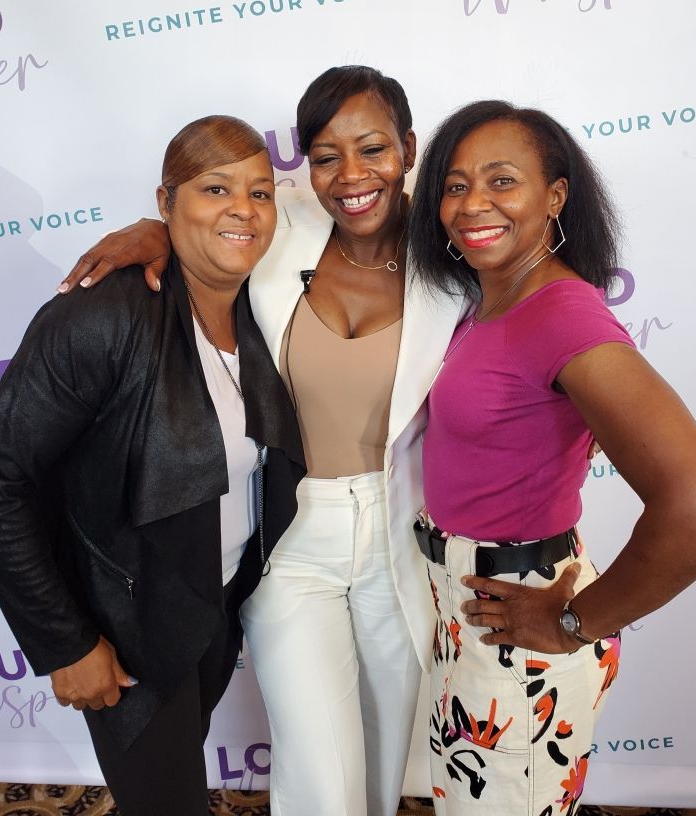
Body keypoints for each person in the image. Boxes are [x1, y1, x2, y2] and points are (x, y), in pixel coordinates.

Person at [56, 66, 469, 816]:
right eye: (323, 156)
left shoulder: (454, 256)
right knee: (321, 772)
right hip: (289, 537)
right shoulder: (282, 228)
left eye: (372, 148)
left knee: (381, 766)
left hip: (400, 538)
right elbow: (209, 224)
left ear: (408, 149)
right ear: (304, 169)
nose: (350, 176)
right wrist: (149, 231)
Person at [0, 116, 305, 816]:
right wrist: (64, 642)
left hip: (209, 612)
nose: (244, 209)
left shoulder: (256, 311)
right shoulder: (100, 316)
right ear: (166, 200)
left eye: (261, 193)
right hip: (125, 634)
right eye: (216, 188)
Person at [406, 100, 696, 815]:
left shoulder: (560, 313)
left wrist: (575, 623)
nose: (471, 202)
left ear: (556, 197)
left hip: (522, 632)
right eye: (453, 184)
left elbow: (694, 505)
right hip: (471, 616)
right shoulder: (492, 299)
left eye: (501, 181)